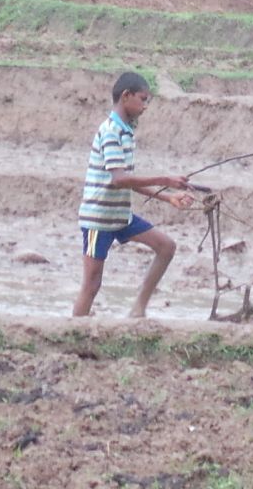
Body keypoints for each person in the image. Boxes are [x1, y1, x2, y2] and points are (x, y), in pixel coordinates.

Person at [72, 71, 195, 319]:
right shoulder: (110, 132)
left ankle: (138, 308)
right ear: (126, 96)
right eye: (143, 99)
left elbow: (125, 180)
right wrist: (165, 180)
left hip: (119, 216)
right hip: (99, 220)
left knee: (166, 247)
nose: (145, 106)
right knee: (92, 284)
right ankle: (74, 332)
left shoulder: (125, 132)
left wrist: (167, 196)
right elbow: (120, 180)